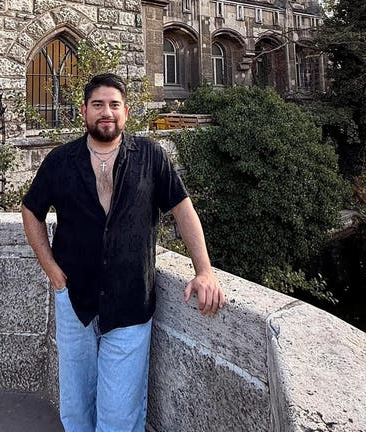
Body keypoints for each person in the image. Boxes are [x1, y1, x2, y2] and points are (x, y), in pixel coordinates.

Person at [21, 73, 225, 432]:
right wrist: (50, 267)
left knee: (119, 414)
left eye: (114, 105)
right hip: (75, 300)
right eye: (98, 104)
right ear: (84, 110)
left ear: (126, 112)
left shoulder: (150, 156)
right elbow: (31, 210)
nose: (106, 112)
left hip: (130, 300)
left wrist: (204, 270)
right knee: (76, 404)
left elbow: (183, 209)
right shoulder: (60, 160)